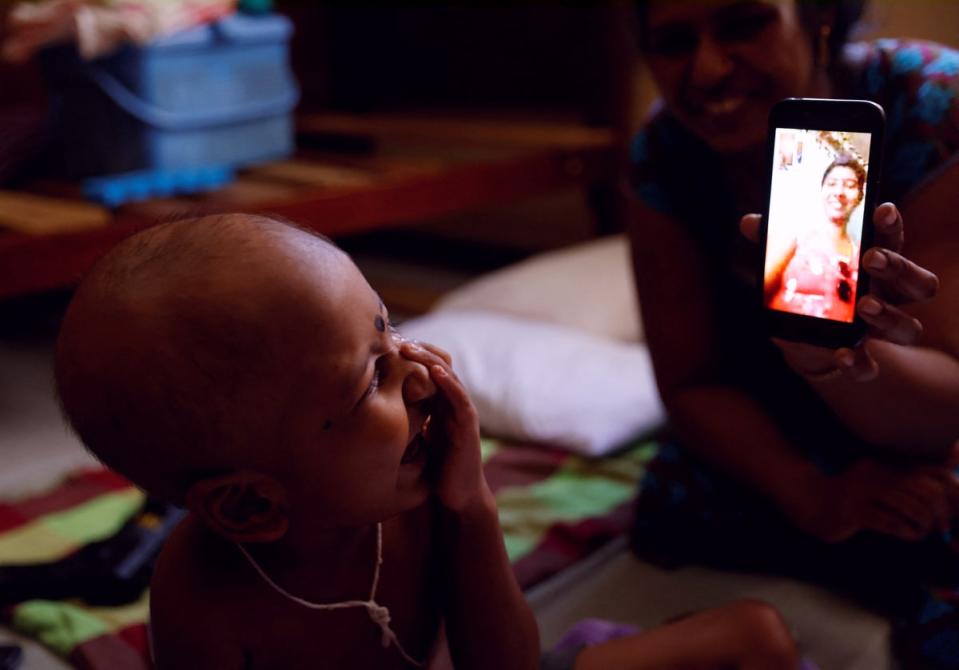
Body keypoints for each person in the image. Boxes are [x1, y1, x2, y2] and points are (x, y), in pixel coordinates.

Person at [53, 214, 804, 669]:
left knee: (755, 635)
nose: (422, 374)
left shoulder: (421, 498)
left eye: (390, 329)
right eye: (371, 377)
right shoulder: (202, 596)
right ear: (250, 504)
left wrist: (472, 505)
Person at [627, 0, 959, 666]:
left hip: (916, 406)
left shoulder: (933, 101)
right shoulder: (662, 151)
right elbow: (689, 382)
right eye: (671, 42)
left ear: (817, 17)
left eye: (743, 24)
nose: (708, 70)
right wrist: (813, 496)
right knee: (667, 499)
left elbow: (945, 405)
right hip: (774, 408)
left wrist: (838, 355)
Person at [765, 154, 867, 322]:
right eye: (832, 184)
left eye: (850, 186)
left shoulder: (862, 254)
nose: (839, 192)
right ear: (822, 190)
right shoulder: (795, 234)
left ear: (859, 197)